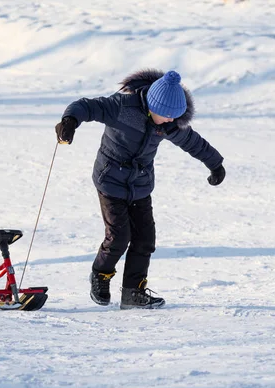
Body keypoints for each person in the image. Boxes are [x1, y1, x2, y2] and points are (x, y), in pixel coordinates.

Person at [55, 69, 225, 309]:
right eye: (166, 116)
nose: (170, 121)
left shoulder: (169, 122)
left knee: (145, 239)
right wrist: (70, 121)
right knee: (118, 237)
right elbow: (86, 106)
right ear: (152, 105)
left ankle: (133, 293)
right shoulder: (122, 106)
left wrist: (215, 164)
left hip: (140, 185)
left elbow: (193, 142)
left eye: (174, 117)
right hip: (110, 180)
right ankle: (101, 274)